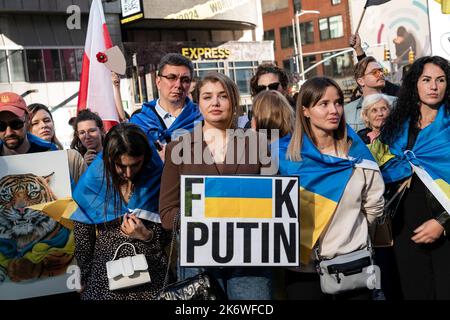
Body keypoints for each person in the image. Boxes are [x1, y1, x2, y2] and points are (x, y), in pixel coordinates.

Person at [159, 72, 274, 300]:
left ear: (233, 101)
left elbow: (277, 201)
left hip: (250, 257)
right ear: (198, 103)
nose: (215, 103)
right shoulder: (178, 148)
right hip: (198, 259)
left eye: (222, 96)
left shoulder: (257, 143)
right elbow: (166, 213)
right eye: (207, 96)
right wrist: (199, 215)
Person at [278, 77, 385, 300]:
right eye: (323, 104)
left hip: (352, 265)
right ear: (305, 110)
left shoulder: (358, 156)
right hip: (302, 270)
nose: (334, 110)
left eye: (337, 102)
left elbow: (374, 207)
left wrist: (350, 238)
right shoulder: (283, 158)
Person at [377, 56, 450, 299]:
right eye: (426, 80)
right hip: (403, 228)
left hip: (444, 227)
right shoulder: (397, 126)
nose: (434, 86)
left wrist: (442, 222)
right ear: (415, 84)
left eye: (441, 80)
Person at [72, 123, 169, 300]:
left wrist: (147, 236)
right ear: (108, 160)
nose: (128, 172)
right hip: (106, 279)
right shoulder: (94, 183)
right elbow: (83, 235)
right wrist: (84, 275)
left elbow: (171, 230)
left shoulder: (159, 180)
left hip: (152, 276)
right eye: (120, 166)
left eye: (135, 164)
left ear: (146, 158)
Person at [130, 53, 202, 152]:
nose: (178, 85)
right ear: (158, 82)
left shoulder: (202, 118)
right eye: (172, 78)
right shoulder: (139, 122)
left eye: (185, 80)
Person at [27, 103, 87, 186]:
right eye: (35, 123)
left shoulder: (72, 158)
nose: (44, 125)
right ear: (26, 128)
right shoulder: (20, 163)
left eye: (47, 120)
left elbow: (86, 192)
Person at [345, 56, 397, 132]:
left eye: (381, 71)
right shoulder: (347, 111)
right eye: (374, 72)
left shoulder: (397, 103)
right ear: (361, 81)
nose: (381, 74)